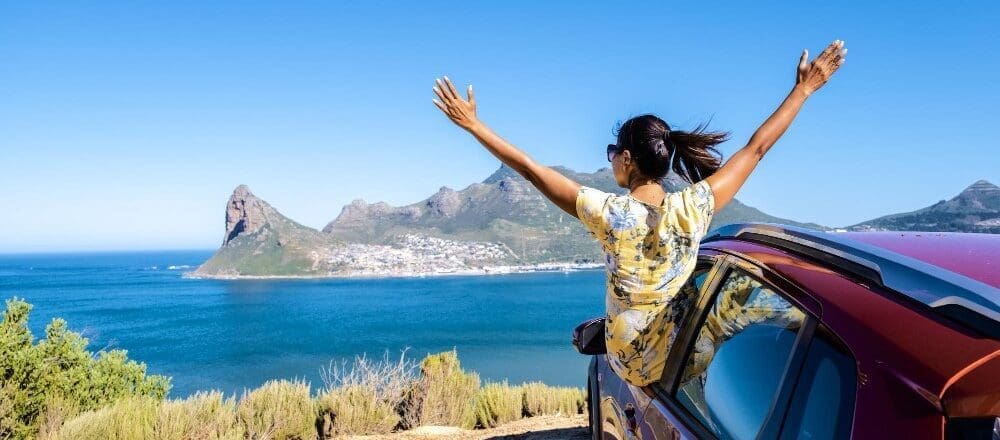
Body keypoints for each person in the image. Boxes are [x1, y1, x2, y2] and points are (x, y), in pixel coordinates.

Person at [432, 40, 847, 387]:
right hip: (687, 356)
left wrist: (474, 126)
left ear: (627, 160)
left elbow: (531, 170)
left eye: (613, 153)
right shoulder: (694, 206)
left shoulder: (609, 214)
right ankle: (840, 338)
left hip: (634, 364)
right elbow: (756, 149)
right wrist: (804, 90)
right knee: (742, 293)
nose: (611, 160)